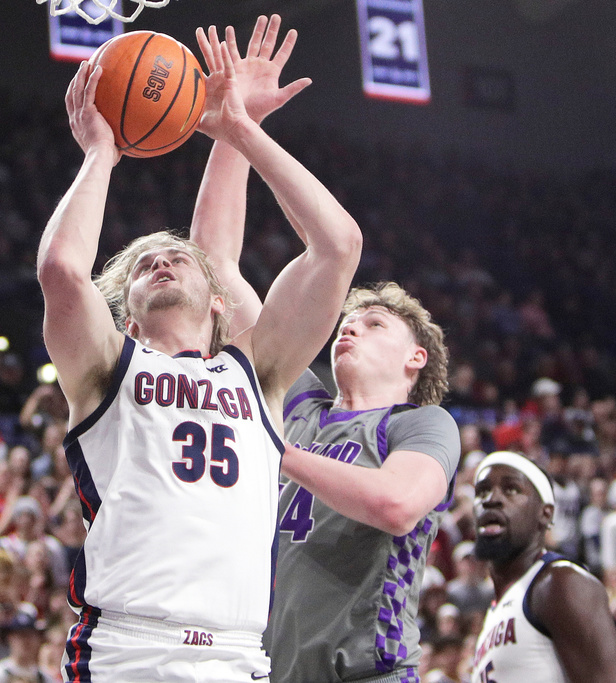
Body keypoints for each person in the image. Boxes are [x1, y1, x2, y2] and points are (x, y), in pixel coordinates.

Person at [36, 16, 361, 681]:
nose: (161, 260)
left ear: (220, 299)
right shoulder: (109, 368)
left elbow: (337, 246)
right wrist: (101, 152)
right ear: (124, 313)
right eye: (144, 264)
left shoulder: (258, 368)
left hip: (237, 651)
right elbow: (64, 273)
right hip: (127, 646)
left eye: (177, 258)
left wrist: (242, 130)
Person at [188, 18, 461, 682]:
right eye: (349, 317)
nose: (349, 325)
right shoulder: (298, 398)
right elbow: (216, 263)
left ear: (416, 356)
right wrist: (235, 129)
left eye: (373, 323)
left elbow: (395, 505)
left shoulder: (421, 425)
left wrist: (277, 452)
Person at [470, 450, 616, 682]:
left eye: (511, 489)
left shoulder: (559, 582)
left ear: (545, 514)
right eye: (482, 491)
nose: (491, 499)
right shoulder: (495, 610)